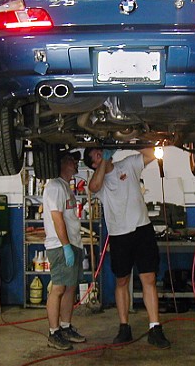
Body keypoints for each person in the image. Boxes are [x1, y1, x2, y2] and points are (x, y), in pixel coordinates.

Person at [84, 147, 171, 349]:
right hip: (119, 235)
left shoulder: (128, 165)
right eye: (97, 156)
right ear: (94, 165)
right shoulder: (100, 183)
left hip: (142, 229)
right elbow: (94, 186)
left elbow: (152, 153)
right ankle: (124, 327)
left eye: (101, 151)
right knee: (122, 280)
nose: (102, 154)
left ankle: (155, 327)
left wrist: (131, 142)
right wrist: (104, 161)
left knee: (149, 278)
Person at [42, 150, 86, 350]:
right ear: (61, 163)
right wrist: (66, 246)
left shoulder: (65, 187)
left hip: (72, 244)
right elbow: (57, 218)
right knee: (58, 288)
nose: (76, 163)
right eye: (71, 160)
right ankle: (54, 332)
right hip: (61, 246)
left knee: (69, 288)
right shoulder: (54, 186)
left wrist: (74, 244)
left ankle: (66, 327)